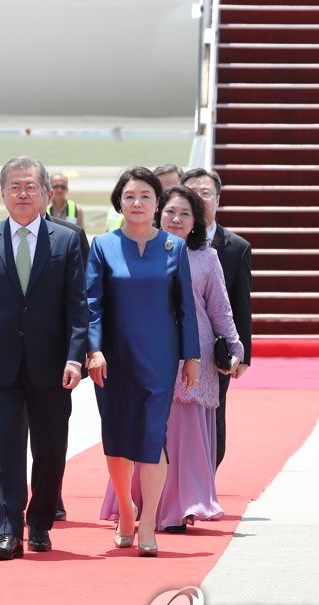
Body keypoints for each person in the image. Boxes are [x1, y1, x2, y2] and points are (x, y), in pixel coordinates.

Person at [0, 155, 88, 560]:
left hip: (51, 364)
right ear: (1, 194)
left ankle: (41, 523)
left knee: (50, 447)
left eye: (31, 186)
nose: (23, 193)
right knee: (2, 445)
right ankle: (9, 529)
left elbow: (78, 306)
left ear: (47, 193)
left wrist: (75, 357)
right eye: (14, 186)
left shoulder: (66, 240)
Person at [104, 185, 242, 535]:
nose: (176, 219)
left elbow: (220, 308)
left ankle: (177, 508)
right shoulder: (140, 250)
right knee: (147, 430)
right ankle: (135, 503)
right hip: (144, 354)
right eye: (170, 212)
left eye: (185, 214)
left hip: (194, 355)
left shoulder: (206, 257)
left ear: (196, 221)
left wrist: (236, 347)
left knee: (183, 435)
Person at [90, 173, 201, 555]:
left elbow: (185, 308)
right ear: (118, 201)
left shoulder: (174, 247)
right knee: (117, 440)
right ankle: (125, 509)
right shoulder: (102, 246)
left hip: (159, 356)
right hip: (112, 358)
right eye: (129, 196)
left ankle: (149, 520)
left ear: (157, 203)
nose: (137, 203)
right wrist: (94, 349)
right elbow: (92, 306)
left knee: (153, 438)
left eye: (145, 196)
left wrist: (192, 356)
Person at [181, 168, 251, 469]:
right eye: (192, 191)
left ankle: (207, 475)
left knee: (214, 412)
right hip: (176, 344)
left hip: (215, 348)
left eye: (205, 192)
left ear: (218, 200)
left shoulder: (235, 247)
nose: (199, 198)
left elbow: (240, 303)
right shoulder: (170, 241)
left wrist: (243, 352)